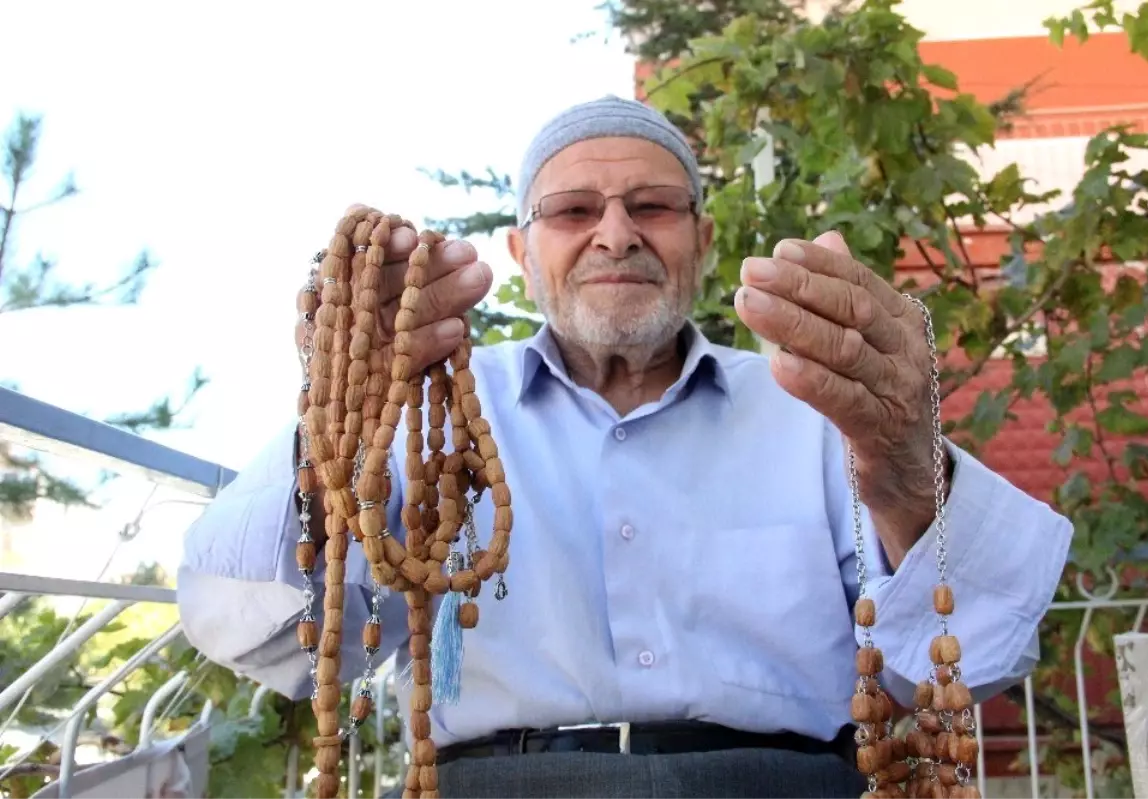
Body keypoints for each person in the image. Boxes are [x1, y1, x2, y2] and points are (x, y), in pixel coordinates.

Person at [177, 95, 1072, 798]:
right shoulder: (428, 409)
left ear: (703, 240)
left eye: (653, 205)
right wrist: (340, 411)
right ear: (522, 250)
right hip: (503, 785)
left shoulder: (814, 405)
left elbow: (976, 656)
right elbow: (258, 634)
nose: (616, 232)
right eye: (574, 210)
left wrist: (912, 467)